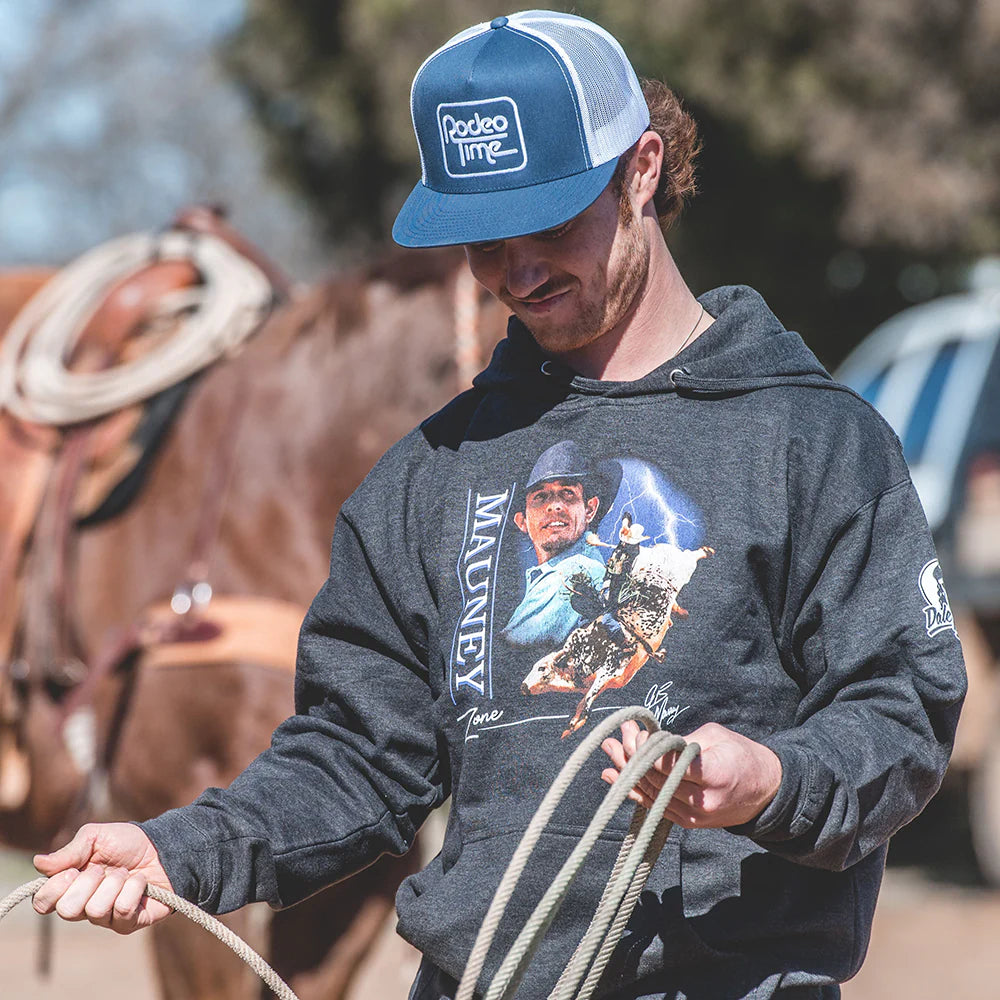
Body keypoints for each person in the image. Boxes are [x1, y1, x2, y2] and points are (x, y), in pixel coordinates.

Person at [32, 11, 965, 1000]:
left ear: (639, 171)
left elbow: (897, 718)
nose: (517, 271)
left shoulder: (810, 439)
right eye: (482, 239)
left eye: (551, 222)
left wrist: (764, 782)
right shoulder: (432, 469)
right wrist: (179, 851)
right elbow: (358, 756)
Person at [502, 440, 616, 647]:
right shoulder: (553, 575)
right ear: (522, 522)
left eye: (567, 493)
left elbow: (509, 648)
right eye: (540, 496)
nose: (554, 505)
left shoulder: (577, 572)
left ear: (590, 510)